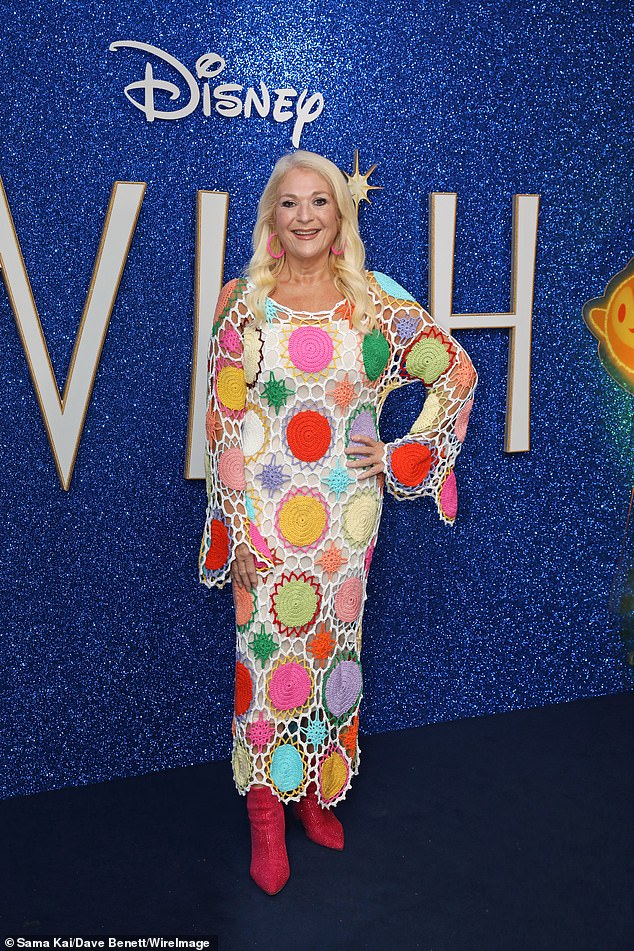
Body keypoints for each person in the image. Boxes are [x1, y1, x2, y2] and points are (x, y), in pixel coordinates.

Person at [199, 150, 477, 894]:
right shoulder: (242, 303)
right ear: (271, 218)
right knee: (263, 662)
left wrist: (400, 452)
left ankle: (318, 790)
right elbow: (224, 423)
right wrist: (237, 525)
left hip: (346, 524)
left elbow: (455, 371)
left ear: (339, 214)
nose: (305, 216)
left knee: (335, 651)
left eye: (319, 202)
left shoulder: (374, 300)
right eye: (289, 204)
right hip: (265, 521)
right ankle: (266, 811)